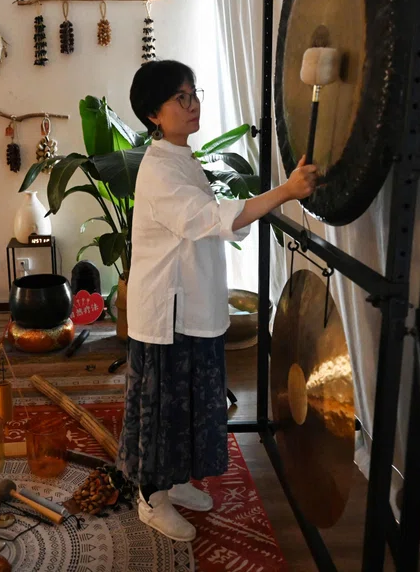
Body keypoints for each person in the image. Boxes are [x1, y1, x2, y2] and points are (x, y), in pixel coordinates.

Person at [118, 60, 317, 542]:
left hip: (193, 304)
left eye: (194, 94)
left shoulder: (180, 158)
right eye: (180, 98)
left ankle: (175, 481)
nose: (193, 105)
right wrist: (286, 192)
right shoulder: (158, 169)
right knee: (164, 409)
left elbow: (215, 221)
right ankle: (151, 497)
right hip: (168, 313)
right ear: (153, 114)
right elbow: (208, 218)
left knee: (189, 402)